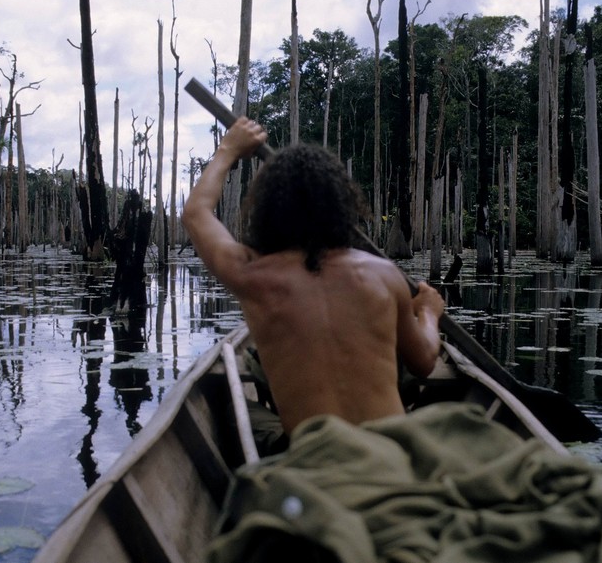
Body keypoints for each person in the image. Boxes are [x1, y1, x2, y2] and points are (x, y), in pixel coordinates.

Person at [182, 116, 445, 437]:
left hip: (317, 458)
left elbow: (196, 213)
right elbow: (424, 362)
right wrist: (429, 312)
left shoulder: (253, 275)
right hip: (391, 450)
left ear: (267, 209)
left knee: (229, 406)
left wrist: (228, 149)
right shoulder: (384, 274)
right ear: (341, 205)